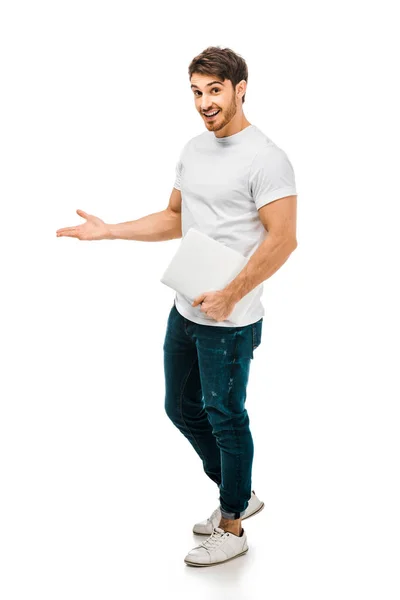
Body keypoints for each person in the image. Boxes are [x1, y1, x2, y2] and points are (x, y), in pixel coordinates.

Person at [56, 45, 298, 567]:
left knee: (226, 417)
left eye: (215, 91)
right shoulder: (193, 149)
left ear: (240, 90)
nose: (204, 102)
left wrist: (232, 294)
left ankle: (233, 524)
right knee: (181, 408)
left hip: (229, 320)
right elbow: (174, 218)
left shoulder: (267, 158)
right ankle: (241, 491)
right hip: (186, 306)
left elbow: (283, 240)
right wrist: (109, 231)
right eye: (196, 91)